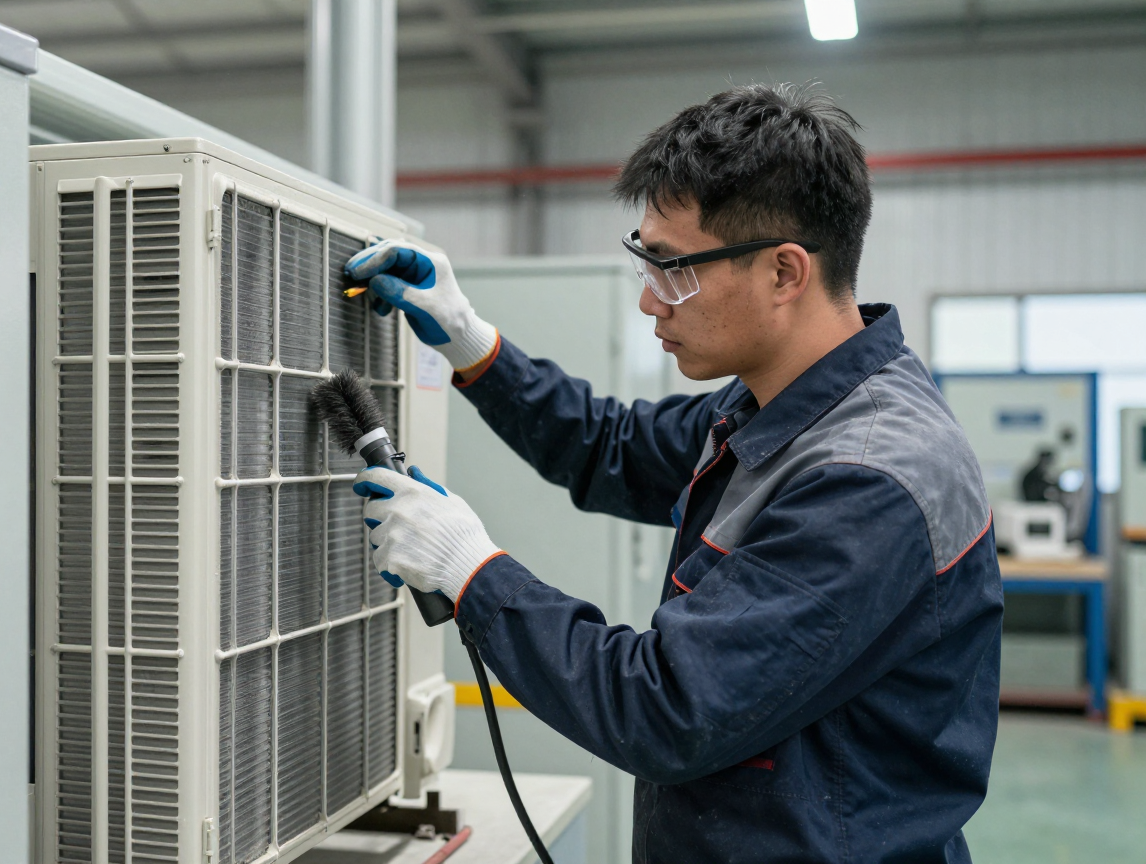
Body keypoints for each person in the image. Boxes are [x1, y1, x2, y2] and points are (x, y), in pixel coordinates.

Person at [346, 84, 1002, 863]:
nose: (652, 301)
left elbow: (666, 709)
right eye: (644, 261)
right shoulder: (776, 403)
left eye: (673, 269)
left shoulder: (869, 480)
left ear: (785, 273)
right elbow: (611, 448)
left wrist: (472, 573)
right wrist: (472, 345)